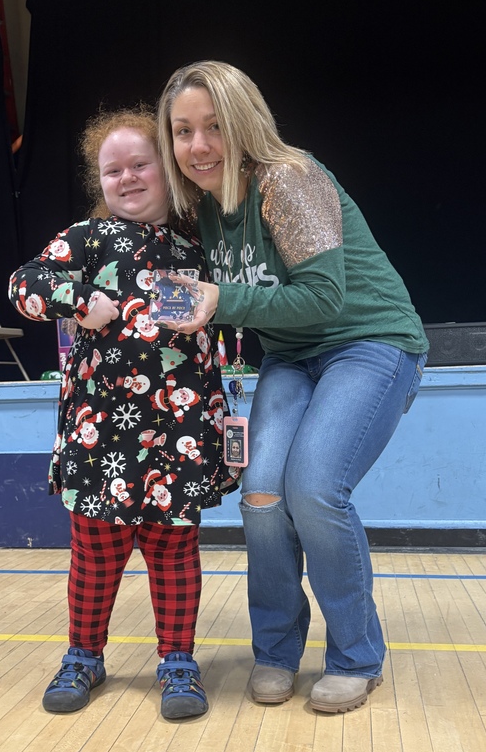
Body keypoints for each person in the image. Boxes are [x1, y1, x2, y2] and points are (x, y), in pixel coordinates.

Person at [157, 61, 429, 714]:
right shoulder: (204, 205)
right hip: (292, 358)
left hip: (368, 343)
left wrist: (222, 299)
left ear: (243, 123)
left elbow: (323, 296)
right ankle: (276, 652)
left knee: (313, 490)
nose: (197, 146)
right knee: (261, 494)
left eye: (213, 127)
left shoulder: (288, 179)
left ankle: (358, 657)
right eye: (182, 130)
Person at [8, 107, 239, 720]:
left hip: (179, 438)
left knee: (174, 555)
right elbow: (23, 283)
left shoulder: (201, 245)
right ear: (100, 182)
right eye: (114, 171)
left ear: (168, 169)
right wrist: (81, 300)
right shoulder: (86, 239)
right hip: (98, 440)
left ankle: (178, 662)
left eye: (141, 165)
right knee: (95, 557)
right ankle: (83, 655)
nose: (128, 178)